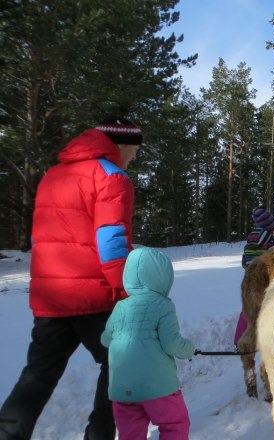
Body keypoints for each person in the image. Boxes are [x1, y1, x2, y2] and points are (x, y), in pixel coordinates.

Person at [0, 117, 142, 440]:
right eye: (134, 151)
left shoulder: (52, 175)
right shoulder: (112, 176)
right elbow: (111, 240)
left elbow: (40, 239)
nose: (133, 158)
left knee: (38, 373)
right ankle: (99, 434)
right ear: (120, 145)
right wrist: (126, 289)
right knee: (120, 363)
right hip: (94, 295)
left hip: (51, 296)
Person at [101, 247, 195, 440]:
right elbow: (172, 344)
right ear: (163, 277)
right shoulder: (163, 305)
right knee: (174, 424)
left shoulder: (120, 306)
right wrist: (190, 349)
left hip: (123, 389)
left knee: (131, 433)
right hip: (158, 386)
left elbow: (106, 339)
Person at [233, 208, 274, 346]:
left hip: (249, 283)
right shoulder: (271, 244)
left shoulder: (249, 244)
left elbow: (244, 263)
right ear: (269, 228)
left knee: (247, 311)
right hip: (266, 283)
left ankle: (238, 342)